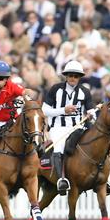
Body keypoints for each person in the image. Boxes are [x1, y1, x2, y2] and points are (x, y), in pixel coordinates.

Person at [42, 60, 95, 195]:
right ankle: (61, 179)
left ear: (79, 78)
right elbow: (44, 110)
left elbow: (91, 111)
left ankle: (99, 177)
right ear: (66, 76)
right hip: (58, 126)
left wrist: (91, 115)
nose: (73, 78)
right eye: (70, 75)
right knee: (59, 146)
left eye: (76, 76)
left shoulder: (85, 92)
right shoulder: (55, 89)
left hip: (77, 126)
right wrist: (63, 110)